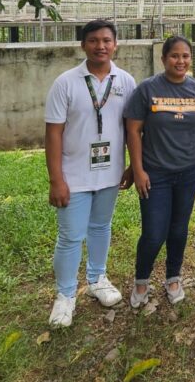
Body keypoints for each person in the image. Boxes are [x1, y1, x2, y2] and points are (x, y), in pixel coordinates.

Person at [45, 19, 137, 328]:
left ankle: (97, 279)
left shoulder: (126, 81)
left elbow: (133, 129)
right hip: (74, 176)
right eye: (94, 40)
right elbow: (53, 133)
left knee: (101, 227)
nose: (101, 46)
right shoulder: (66, 83)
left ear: (115, 44)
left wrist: (132, 166)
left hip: (110, 174)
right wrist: (56, 179)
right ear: (83, 45)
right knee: (71, 236)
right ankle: (65, 295)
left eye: (106, 40)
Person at [124, 35, 195, 308]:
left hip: (189, 171)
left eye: (185, 56)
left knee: (178, 228)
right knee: (153, 232)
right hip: (155, 173)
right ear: (163, 59)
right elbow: (133, 131)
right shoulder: (147, 89)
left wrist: (181, 146)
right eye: (174, 56)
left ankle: (173, 277)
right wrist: (137, 170)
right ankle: (141, 280)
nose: (180, 61)